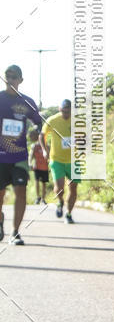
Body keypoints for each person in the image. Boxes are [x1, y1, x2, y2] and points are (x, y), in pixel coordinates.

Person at [0, 65, 43, 244]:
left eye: (14, 77)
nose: (10, 79)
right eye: (7, 76)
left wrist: (36, 131)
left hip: (19, 157)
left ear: (20, 80)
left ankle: (15, 232)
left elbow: (39, 124)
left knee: (21, 192)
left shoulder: (28, 102)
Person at [41, 99, 79, 223]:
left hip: (74, 160)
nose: (66, 112)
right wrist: (44, 150)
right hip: (57, 159)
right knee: (59, 188)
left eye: (68, 110)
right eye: (64, 110)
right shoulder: (53, 120)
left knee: (73, 188)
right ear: (60, 109)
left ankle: (68, 214)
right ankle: (60, 202)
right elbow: (42, 135)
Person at [28, 128, 49, 204]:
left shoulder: (47, 146)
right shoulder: (34, 146)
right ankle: (38, 197)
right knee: (37, 182)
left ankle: (43, 199)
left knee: (44, 183)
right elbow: (31, 156)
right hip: (37, 167)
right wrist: (30, 164)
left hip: (45, 167)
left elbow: (50, 156)